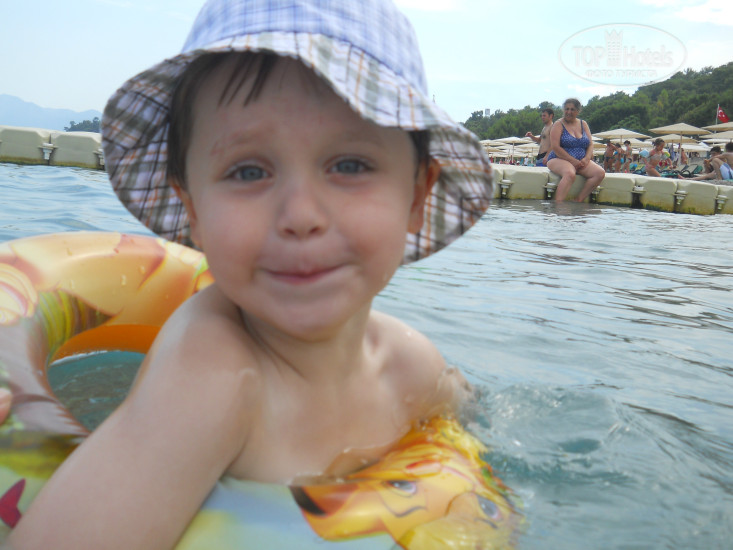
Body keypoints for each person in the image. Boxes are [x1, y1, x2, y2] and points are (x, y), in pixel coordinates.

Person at [6, 1, 493, 548]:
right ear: (192, 206)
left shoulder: (415, 368)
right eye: (248, 171)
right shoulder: (212, 378)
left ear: (417, 197)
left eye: (350, 165)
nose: (301, 215)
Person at [545, 98, 605, 202]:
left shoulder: (583, 124)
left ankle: (578, 200)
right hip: (558, 158)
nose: (569, 112)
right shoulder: (558, 124)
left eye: (572, 109)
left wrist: (586, 159)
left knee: (599, 173)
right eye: (567, 109)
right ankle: (558, 205)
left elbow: (590, 144)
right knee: (570, 174)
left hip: (581, 161)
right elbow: (555, 147)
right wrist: (573, 161)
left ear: (578, 111)